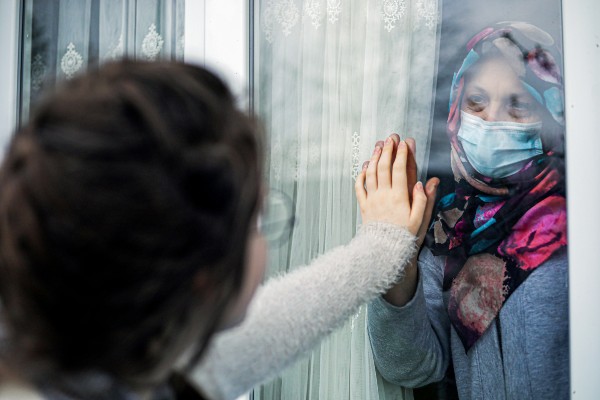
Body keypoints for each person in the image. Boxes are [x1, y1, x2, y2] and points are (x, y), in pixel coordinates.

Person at [0, 60, 436, 400]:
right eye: (258, 220)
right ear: (203, 281)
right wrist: (381, 247)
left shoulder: (105, 361)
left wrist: (381, 249)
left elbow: (263, 333)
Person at [367, 21, 568, 400]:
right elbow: (410, 365)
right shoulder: (449, 231)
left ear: (549, 116)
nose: (491, 119)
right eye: (476, 102)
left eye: (517, 104)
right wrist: (398, 263)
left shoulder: (583, 221)